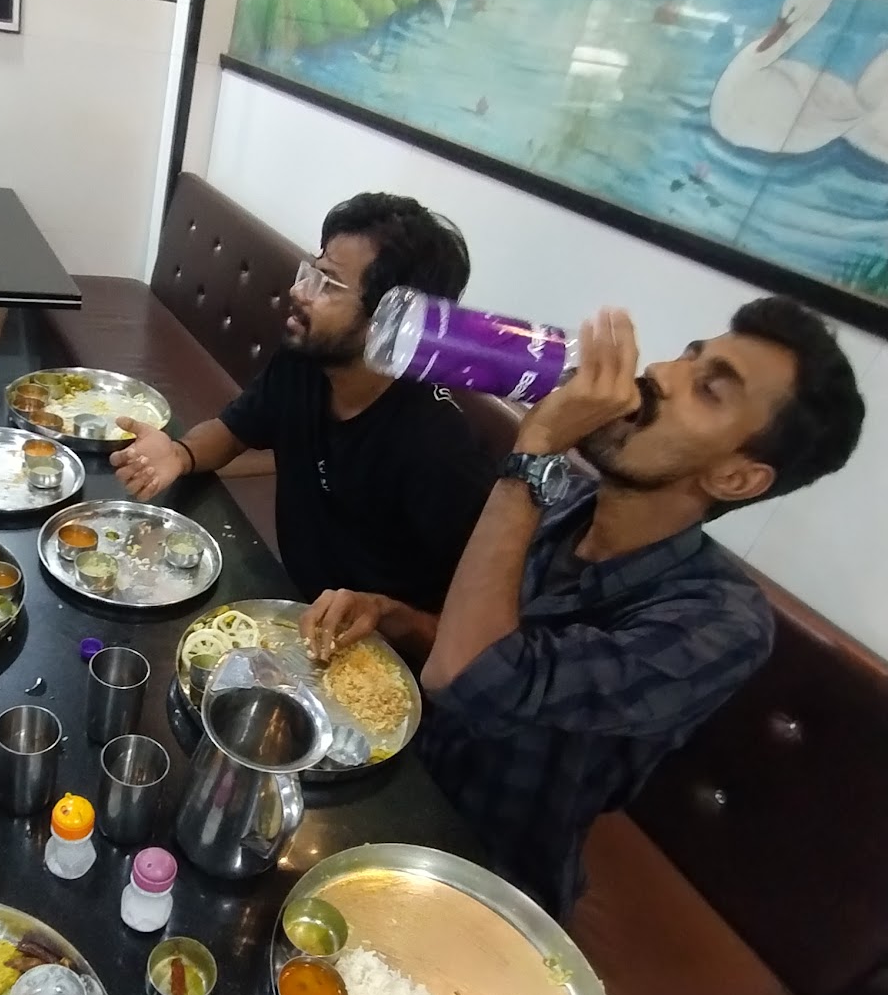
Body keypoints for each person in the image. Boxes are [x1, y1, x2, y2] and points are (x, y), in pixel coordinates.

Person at [418, 297, 864, 922]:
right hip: (409, 780)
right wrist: (396, 617)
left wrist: (537, 448)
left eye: (708, 389)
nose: (659, 374)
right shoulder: (563, 501)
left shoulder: (721, 621)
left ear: (735, 478)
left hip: (493, 882)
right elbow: (486, 639)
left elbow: (469, 674)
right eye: (687, 356)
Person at [111, 193, 495, 661]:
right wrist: (180, 453)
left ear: (394, 323)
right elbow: (233, 431)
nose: (300, 291)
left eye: (328, 284)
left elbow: (474, 639)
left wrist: (383, 613)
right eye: (311, 270)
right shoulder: (306, 362)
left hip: (373, 659)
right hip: (294, 612)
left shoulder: (438, 449)